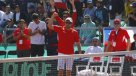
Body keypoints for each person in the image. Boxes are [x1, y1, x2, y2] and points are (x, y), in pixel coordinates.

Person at [47, 12, 82, 76]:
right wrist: (52, 16)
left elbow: (78, 43)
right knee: (60, 72)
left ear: (71, 24)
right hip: (61, 53)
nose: (68, 24)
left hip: (70, 54)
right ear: (65, 22)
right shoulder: (60, 28)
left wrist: (80, 52)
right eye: (67, 22)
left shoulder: (75, 32)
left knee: (68, 72)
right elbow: (49, 26)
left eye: (69, 23)